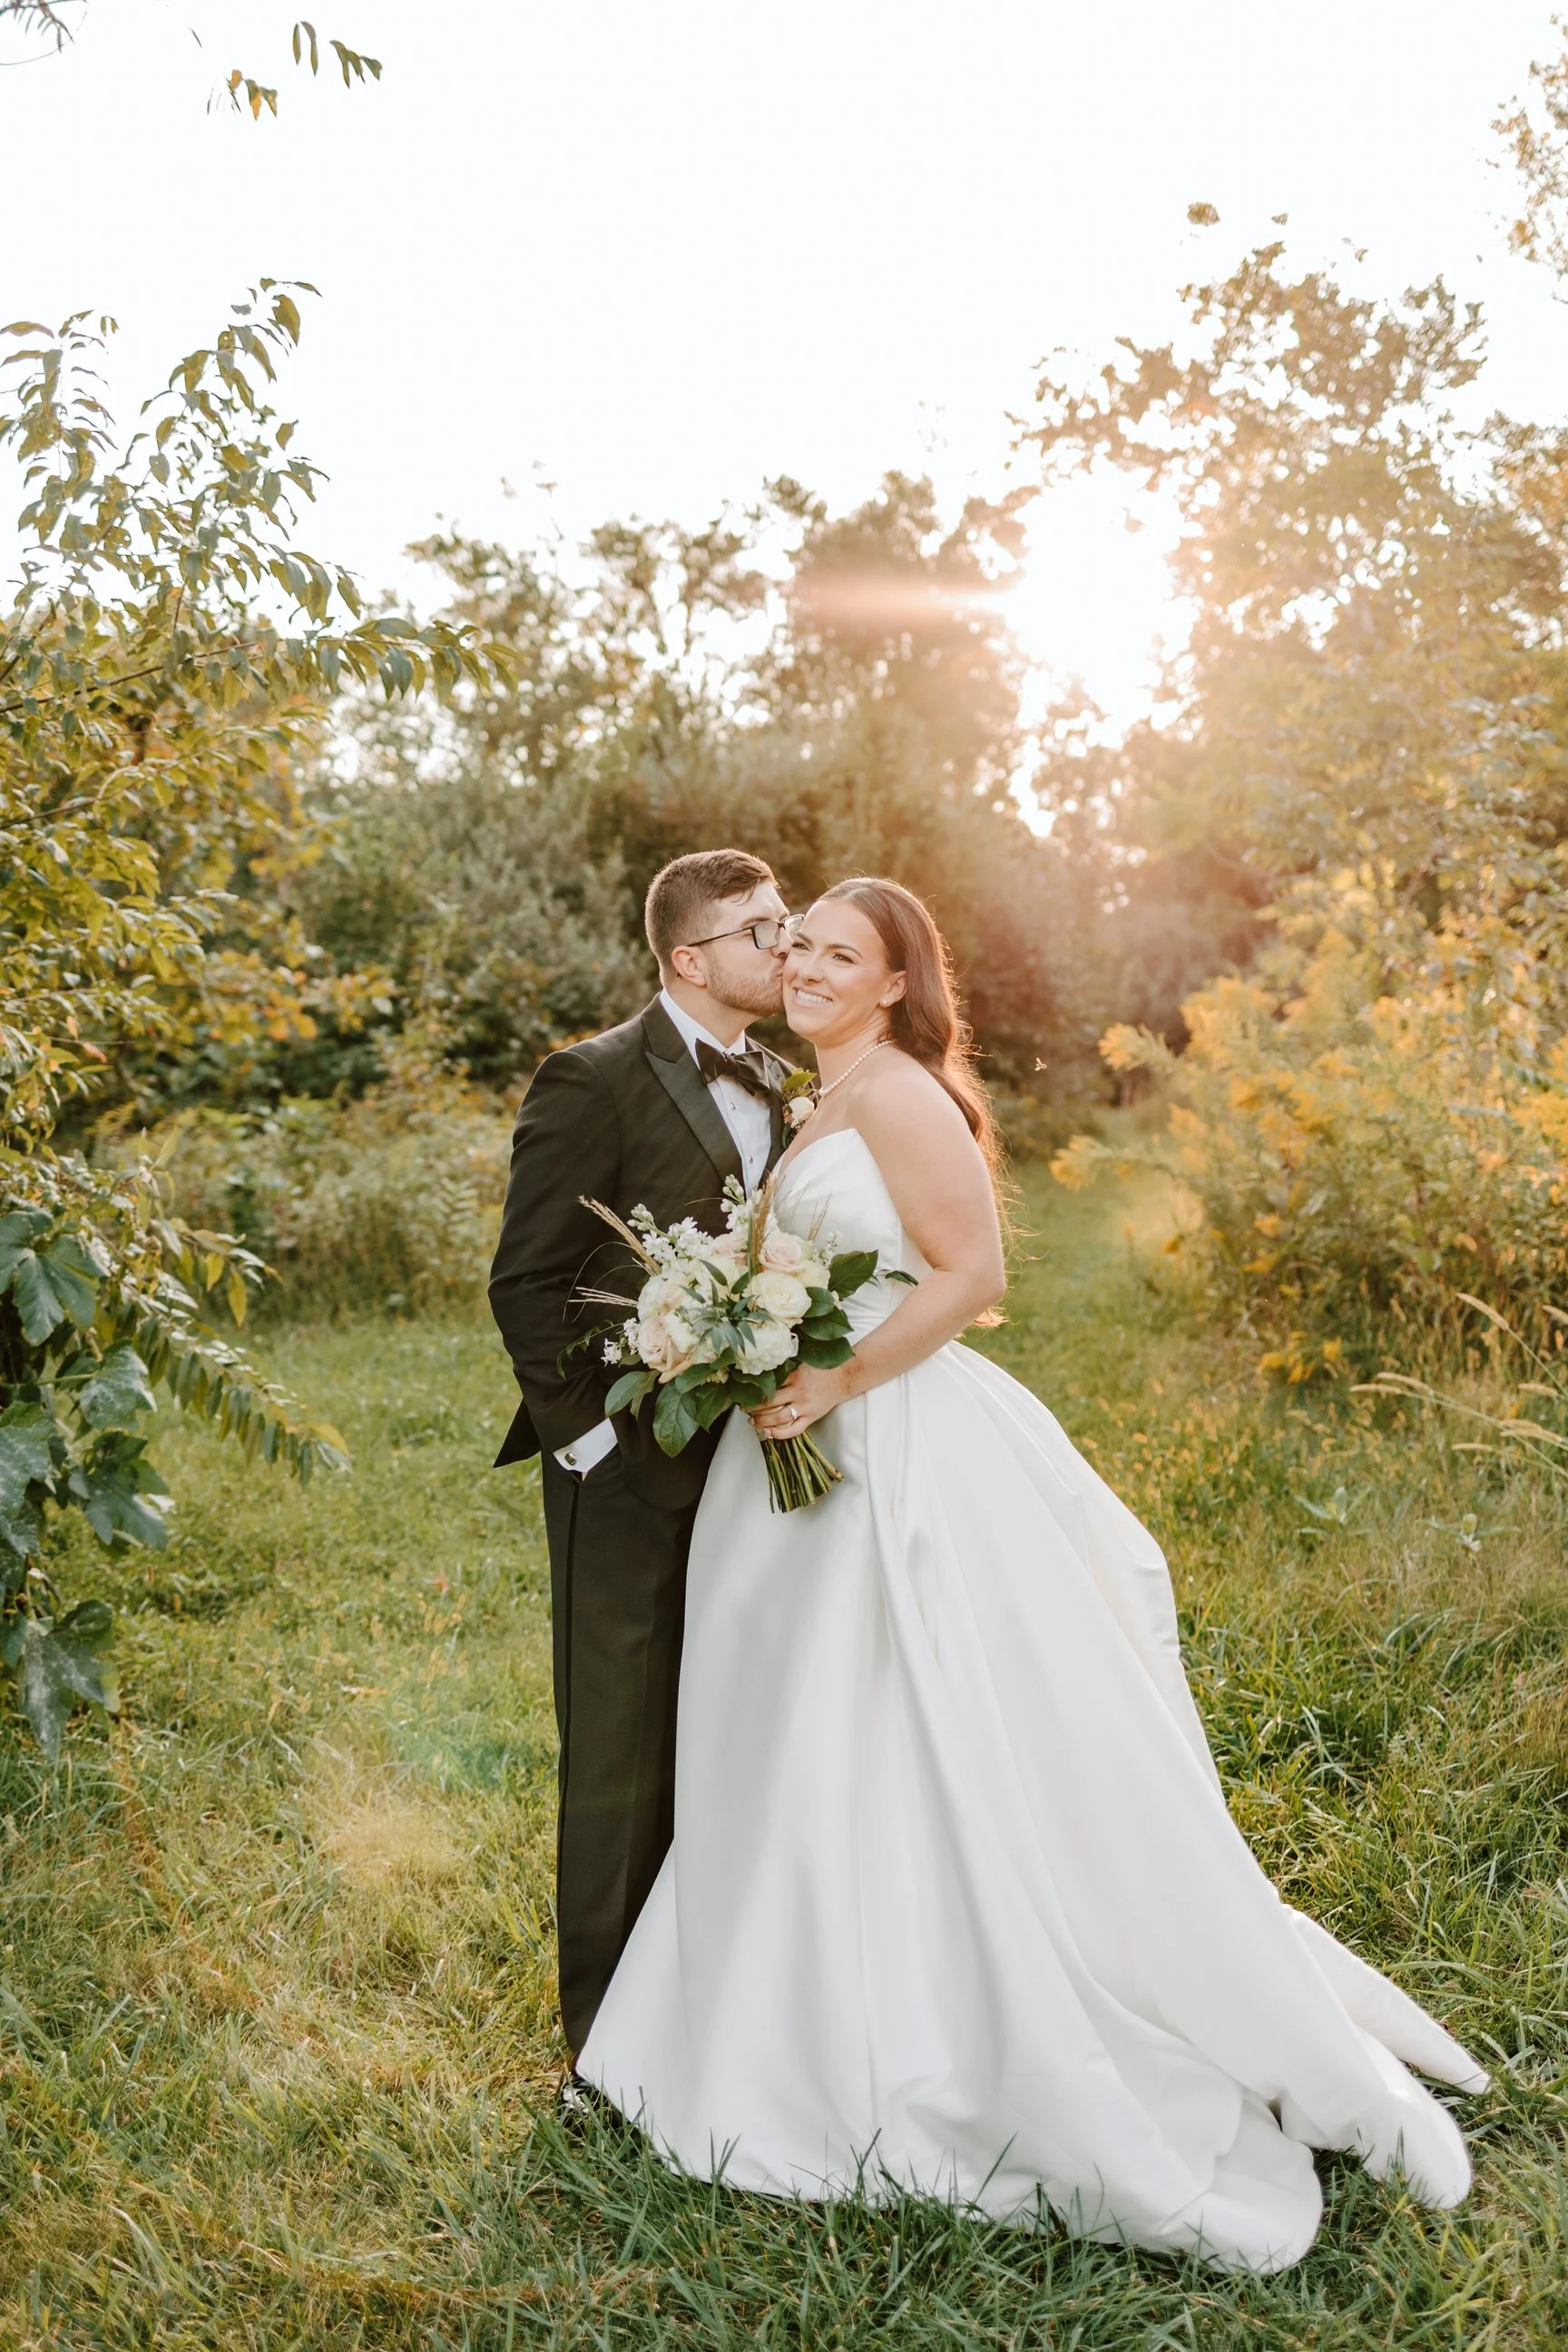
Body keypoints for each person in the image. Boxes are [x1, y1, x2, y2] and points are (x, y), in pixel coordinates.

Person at [575, 874, 1488, 2273]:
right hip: (794, 1451)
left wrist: (831, 1379)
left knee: (918, 1720)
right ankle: (790, 2011)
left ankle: (954, 2025)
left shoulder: (892, 1094)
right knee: (805, 1737)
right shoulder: (818, 1097)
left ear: (894, 982)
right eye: (796, 943)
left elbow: (971, 1271)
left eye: (839, 952)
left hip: (889, 1445)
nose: (807, 964)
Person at [488, 848, 793, 2064]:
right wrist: (592, 1446)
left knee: (737, 1713)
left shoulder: (780, 1076)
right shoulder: (595, 1079)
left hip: (758, 1454)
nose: (787, 945)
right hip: (628, 1461)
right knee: (619, 1740)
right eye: (763, 929)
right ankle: (603, 2043)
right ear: (689, 958)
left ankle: (718, 1993)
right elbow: (525, 1282)